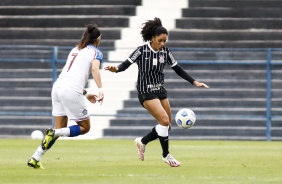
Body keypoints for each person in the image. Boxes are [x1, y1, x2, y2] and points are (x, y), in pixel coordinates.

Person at [105, 17, 209, 167]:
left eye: (164, 41)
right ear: (153, 38)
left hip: (160, 90)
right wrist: (115, 69)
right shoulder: (141, 51)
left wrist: (195, 82)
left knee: (167, 125)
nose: (162, 44)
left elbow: (178, 69)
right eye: (160, 40)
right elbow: (124, 65)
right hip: (145, 90)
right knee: (164, 121)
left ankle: (142, 141)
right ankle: (166, 155)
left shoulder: (165, 52)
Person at [27, 23, 104, 169]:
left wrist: (87, 93)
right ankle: (54, 132)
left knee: (60, 128)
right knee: (84, 127)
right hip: (71, 90)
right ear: (98, 40)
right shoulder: (96, 52)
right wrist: (101, 89)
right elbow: (95, 69)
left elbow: (71, 77)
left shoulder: (76, 49)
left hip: (57, 87)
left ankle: (35, 158)